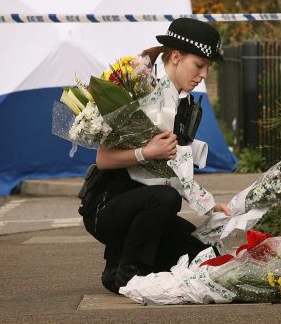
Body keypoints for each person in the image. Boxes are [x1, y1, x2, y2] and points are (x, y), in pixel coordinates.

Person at [81, 18, 232, 294]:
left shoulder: (180, 99)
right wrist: (146, 152)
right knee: (165, 198)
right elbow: (103, 159)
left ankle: (116, 266)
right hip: (107, 207)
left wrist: (209, 204)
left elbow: (175, 165)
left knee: (205, 257)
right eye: (199, 65)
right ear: (176, 57)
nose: (204, 75)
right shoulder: (144, 92)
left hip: (144, 207)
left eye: (208, 68)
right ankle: (130, 274)